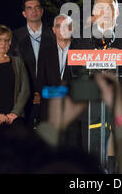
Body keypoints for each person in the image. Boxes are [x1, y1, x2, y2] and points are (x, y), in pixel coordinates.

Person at [71, 0, 122, 156]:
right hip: (91, 106)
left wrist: (119, 57)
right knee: (93, 160)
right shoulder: (82, 35)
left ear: (117, 12)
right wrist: (98, 59)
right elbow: (75, 69)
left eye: (110, 8)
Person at [37, 14, 82, 148]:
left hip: (74, 113)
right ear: (53, 29)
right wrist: (64, 92)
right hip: (50, 113)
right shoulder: (45, 53)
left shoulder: (80, 51)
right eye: (58, 26)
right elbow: (41, 86)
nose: (62, 29)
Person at [10, 0, 54, 127]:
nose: (33, 11)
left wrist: (42, 92)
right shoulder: (14, 37)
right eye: (29, 8)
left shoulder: (54, 35)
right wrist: (30, 93)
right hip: (24, 98)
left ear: (42, 11)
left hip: (49, 97)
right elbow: (13, 69)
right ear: (24, 13)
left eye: (36, 8)